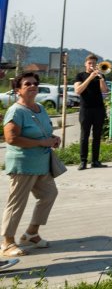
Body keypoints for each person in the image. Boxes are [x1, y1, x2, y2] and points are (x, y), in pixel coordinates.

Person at [1, 73, 61, 258]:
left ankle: (31, 233)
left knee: (49, 194)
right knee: (17, 203)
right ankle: (7, 242)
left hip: (42, 163)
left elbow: (44, 132)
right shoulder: (16, 111)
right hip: (23, 164)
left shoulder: (40, 108)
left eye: (35, 83)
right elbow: (11, 138)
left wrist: (53, 139)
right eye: (28, 84)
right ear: (18, 89)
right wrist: (41, 143)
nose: (33, 86)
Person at [73, 54, 109, 170]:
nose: (92, 65)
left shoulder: (100, 75)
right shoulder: (80, 76)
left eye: (94, 63)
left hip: (98, 109)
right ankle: (83, 161)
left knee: (97, 136)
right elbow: (78, 90)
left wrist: (100, 78)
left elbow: (104, 91)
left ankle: (95, 161)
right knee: (84, 135)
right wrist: (90, 77)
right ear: (85, 64)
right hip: (86, 109)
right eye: (90, 63)